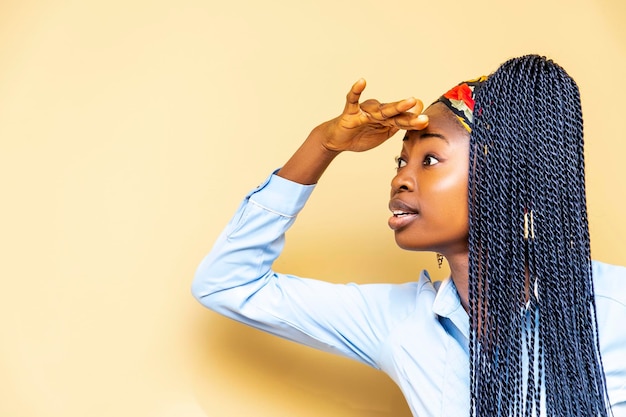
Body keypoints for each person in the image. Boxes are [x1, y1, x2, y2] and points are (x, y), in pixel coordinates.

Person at [192, 55, 626, 417]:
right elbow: (228, 284)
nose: (401, 179)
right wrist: (322, 145)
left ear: (513, 182)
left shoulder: (613, 309)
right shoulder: (401, 323)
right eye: (400, 161)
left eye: (431, 159)